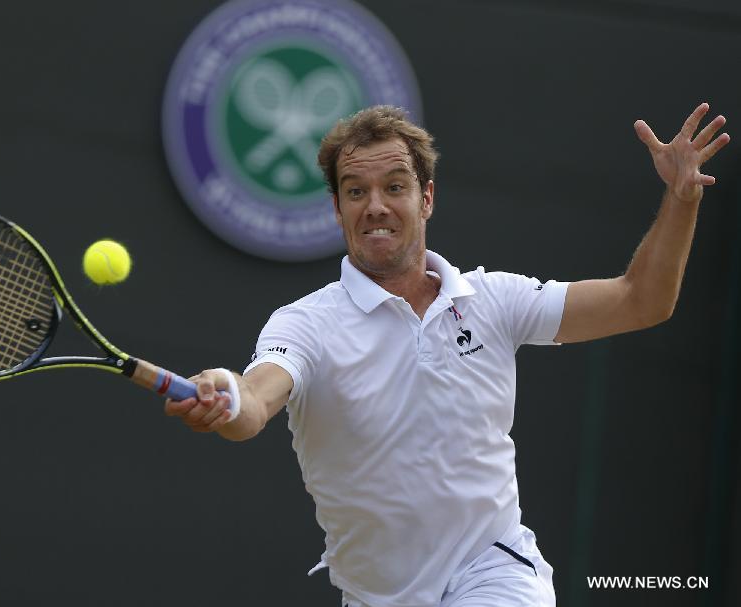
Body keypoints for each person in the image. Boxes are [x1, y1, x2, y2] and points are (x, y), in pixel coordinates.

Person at [142, 104, 729, 607]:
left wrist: (681, 201)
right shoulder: (305, 324)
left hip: (496, 572)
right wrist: (224, 389)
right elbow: (254, 401)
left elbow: (641, 300)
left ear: (426, 199)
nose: (375, 205)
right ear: (338, 209)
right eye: (356, 191)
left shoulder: (494, 299)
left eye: (394, 186)